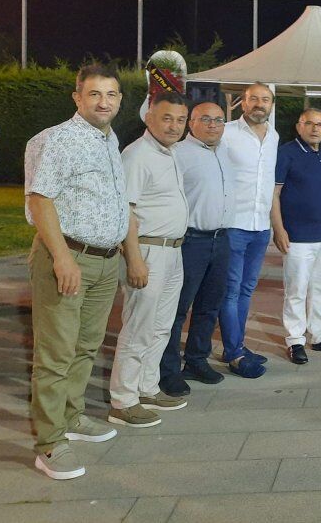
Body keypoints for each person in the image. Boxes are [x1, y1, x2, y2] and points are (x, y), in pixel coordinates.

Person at [24, 63, 134, 480]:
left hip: (105, 261)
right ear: (77, 97)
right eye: (94, 94)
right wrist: (61, 258)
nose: (104, 102)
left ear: (120, 99)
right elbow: (40, 200)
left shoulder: (109, 139)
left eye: (111, 94)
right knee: (55, 354)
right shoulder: (61, 139)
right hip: (68, 259)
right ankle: (50, 443)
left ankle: (71, 417)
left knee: (86, 346)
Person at [108, 91, 190, 427]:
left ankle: (147, 386)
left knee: (160, 326)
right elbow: (125, 211)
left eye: (180, 120)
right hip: (147, 251)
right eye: (166, 118)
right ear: (149, 117)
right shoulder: (137, 155)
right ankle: (123, 400)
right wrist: (134, 260)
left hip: (172, 251)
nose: (174, 126)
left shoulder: (170, 153)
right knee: (138, 327)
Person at [159, 101, 236, 397]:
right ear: (191, 123)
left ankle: (196, 360)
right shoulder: (178, 154)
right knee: (177, 308)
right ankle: (167, 370)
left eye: (219, 120)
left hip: (221, 239)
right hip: (191, 241)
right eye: (206, 119)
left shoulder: (224, 152)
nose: (213, 125)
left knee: (209, 306)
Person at [271, 108, 321, 363]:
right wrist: (279, 229)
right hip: (297, 238)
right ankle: (295, 340)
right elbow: (274, 194)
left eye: (320, 124)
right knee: (296, 290)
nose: (315, 129)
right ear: (298, 126)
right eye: (309, 123)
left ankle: (320, 335)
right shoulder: (286, 154)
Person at [220, 82, 279, 378]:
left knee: (245, 290)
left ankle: (236, 344)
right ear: (242, 103)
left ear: (271, 105)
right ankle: (234, 353)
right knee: (230, 291)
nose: (259, 103)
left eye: (265, 99)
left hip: (260, 226)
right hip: (233, 224)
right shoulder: (226, 132)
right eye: (253, 98)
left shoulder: (274, 136)